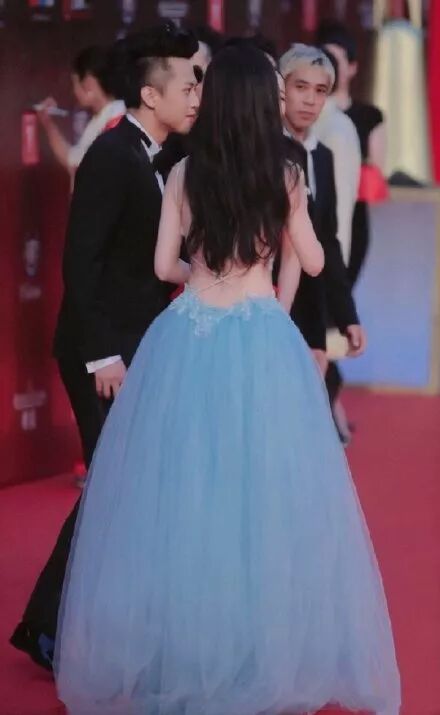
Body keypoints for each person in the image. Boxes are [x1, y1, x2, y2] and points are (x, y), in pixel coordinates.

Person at [55, 44, 400, 715]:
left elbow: (164, 266)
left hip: (186, 337)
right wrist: (263, 271)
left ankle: (186, 653)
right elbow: (313, 258)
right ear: (263, 103)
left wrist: (207, 279)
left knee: (185, 497)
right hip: (262, 337)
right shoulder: (284, 173)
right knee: (267, 500)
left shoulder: (185, 171)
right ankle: (255, 652)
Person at [10, 22, 199, 672]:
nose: (196, 96)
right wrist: (102, 356)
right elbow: (80, 262)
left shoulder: (163, 155)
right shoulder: (112, 154)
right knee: (113, 487)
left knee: (125, 488)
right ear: (150, 94)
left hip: (140, 346)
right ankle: (45, 625)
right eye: (187, 86)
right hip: (102, 353)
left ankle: (95, 623)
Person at [279, 44, 366, 387]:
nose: (309, 100)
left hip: (311, 309)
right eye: (300, 87)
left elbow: (326, 239)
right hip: (267, 304)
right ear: (281, 87)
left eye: (320, 91)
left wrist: (347, 317)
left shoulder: (323, 156)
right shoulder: (264, 152)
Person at [317, 20, 386, 285]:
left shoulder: (368, 115)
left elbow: (377, 170)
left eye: (336, 60)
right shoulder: (307, 113)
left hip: (353, 212)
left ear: (353, 67)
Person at [36, 45, 126, 180]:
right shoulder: (102, 118)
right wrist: (48, 122)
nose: (74, 91)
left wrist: (48, 123)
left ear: (89, 84)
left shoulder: (117, 119)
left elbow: (78, 166)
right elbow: (72, 159)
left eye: (75, 83)